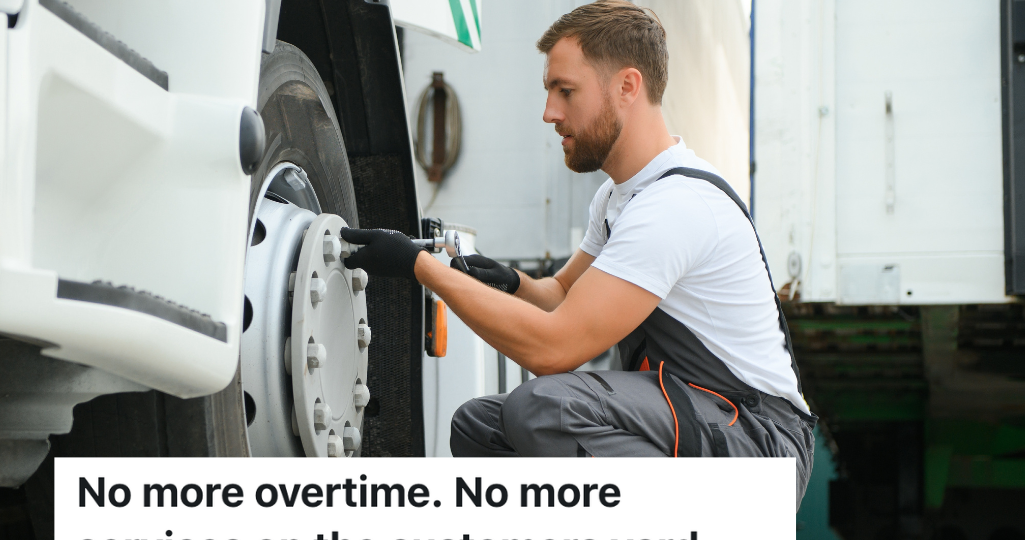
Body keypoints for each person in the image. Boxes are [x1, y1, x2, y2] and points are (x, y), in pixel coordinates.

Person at [342, 0, 815, 505]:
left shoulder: (675, 205)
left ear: (627, 87)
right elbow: (563, 294)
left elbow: (555, 350)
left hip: (759, 441)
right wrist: (513, 283)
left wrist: (419, 267)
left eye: (565, 91)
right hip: (701, 416)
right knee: (479, 426)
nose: (550, 113)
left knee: (544, 408)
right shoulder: (617, 198)